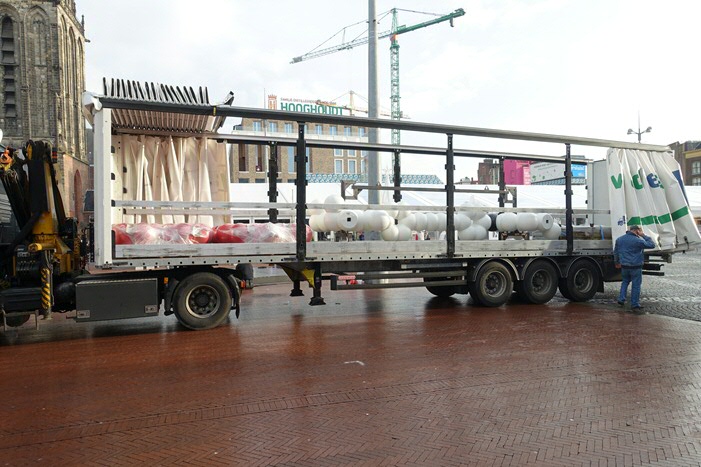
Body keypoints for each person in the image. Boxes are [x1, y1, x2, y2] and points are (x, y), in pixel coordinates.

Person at [613, 225, 656, 312]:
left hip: (624, 266)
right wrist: (643, 235)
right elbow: (652, 245)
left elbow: (616, 252)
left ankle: (621, 299)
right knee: (636, 285)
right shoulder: (638, 240)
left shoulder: (619, 239)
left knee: (625, 282)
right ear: (637, 231)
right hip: (635, 266)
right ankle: (634, 304)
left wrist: (617, 262)